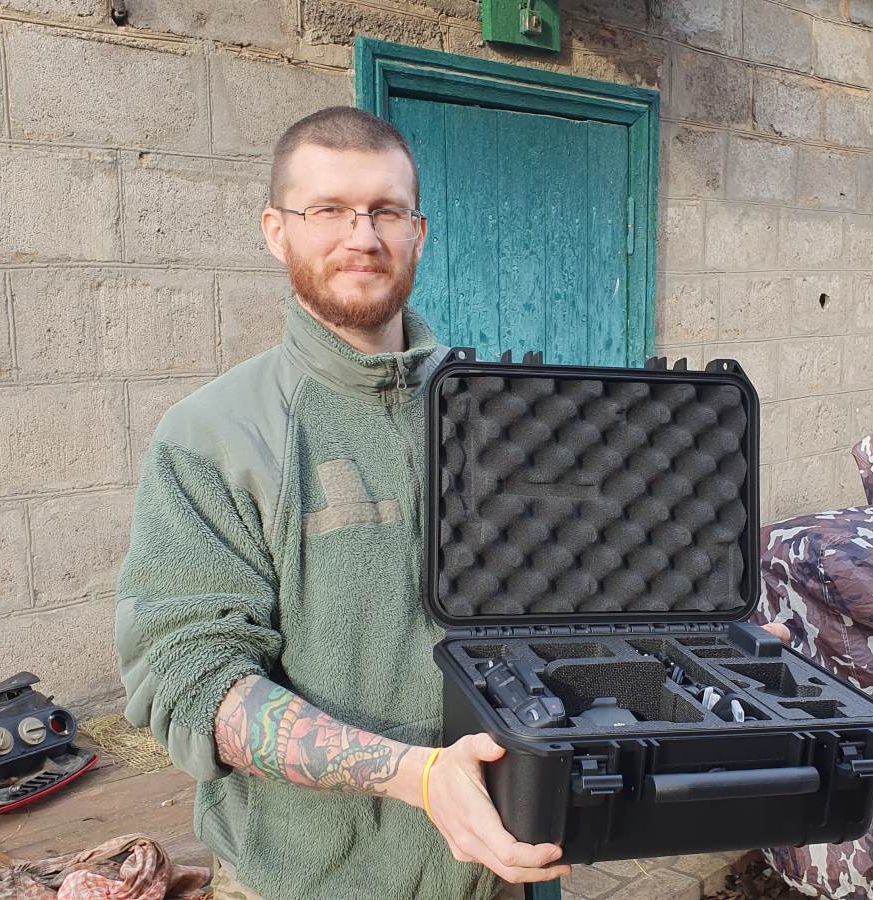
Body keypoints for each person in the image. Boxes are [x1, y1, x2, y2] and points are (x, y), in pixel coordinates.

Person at [113, 107, 571, 900]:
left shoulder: (504, 412)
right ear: (275, 231)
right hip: (307, 880)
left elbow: (559, 600)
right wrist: (415, 776)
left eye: (387, 210)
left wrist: (686, 646)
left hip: (503, 866)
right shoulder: (214, 436)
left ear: (418, 233)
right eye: (328, 209)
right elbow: (194, 677)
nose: (363, 236)